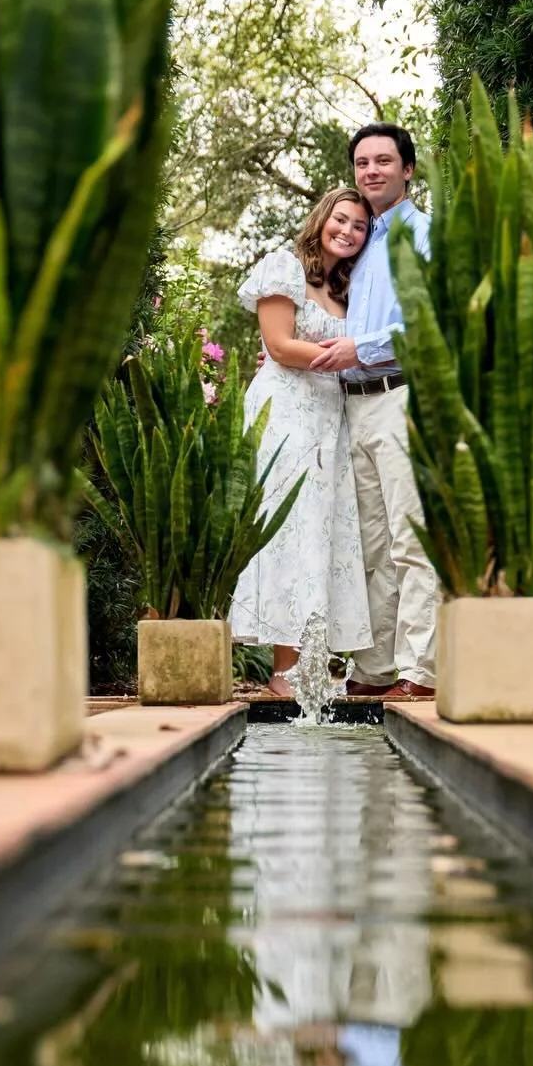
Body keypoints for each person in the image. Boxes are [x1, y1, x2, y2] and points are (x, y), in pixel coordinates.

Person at [229, 187, 374, 695]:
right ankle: (282, 673)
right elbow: (279, 344)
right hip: (286, 412)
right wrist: (347, 356)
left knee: (324, 533)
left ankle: (312, 668)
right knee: (290, 524)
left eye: (359, 226)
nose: (348, 232)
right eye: (342, 219)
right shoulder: (284, 267)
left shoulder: (349, 289)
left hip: (330, 418)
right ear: (322, 218)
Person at [311, 123, 438, 700]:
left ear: (408, 169)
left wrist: (359, 349)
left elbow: (431, 319)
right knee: (370, 546)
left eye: (384, 161)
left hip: (401, 393)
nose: (372, 171)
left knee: (410, 536)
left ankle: (420, 671)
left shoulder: (425, 235)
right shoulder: (358, 249)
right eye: (362, 163)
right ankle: (376, 669)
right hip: (353, 407)